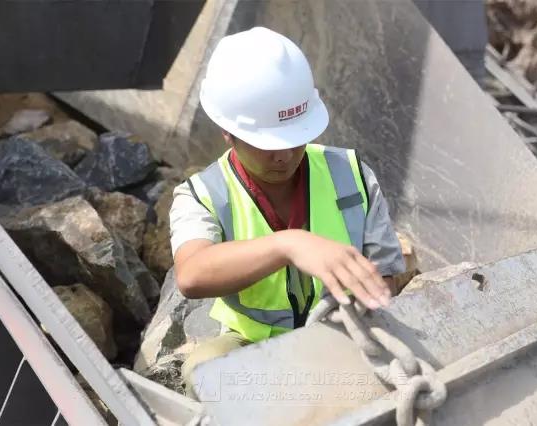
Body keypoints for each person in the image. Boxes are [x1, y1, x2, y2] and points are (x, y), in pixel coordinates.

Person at [169, 27, 405, 394]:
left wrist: (352, 310)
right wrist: (289, 244)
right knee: (206, 372)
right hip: (253, 346)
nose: (284, 155)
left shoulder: (351, 175)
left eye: (295, 138)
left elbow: (386, 278)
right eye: (267, 144)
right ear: (227, 131)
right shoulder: (202, 195)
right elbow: (192, 274)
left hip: (344, 335)